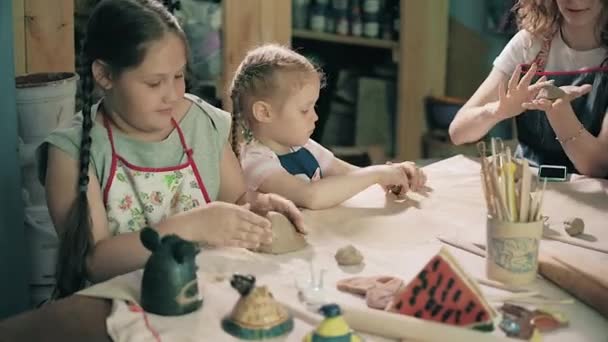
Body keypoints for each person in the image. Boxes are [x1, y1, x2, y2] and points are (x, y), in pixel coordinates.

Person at [37, 0, 304, 298]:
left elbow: (237, 199)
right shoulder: (70, 151)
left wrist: (258, 206)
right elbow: (94, 263)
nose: (173, 94)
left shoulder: (203, 123)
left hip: (200, 295)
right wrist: (191, 227)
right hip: (114, 309)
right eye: (154, 83)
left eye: (178, 76)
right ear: (105, 76)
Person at [229, 44, 427, 210]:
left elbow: (351, 174)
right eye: (305, 110)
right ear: (264, 112)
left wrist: (393, 173)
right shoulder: (255, 163)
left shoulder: (303, 147)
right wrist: (376, 175)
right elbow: (310, 196)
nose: (315, 117)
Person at [449, 0, 608, 178]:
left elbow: (600, 166)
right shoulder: (529, 43)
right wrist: (498, 111)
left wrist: (560, 112)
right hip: (527, 187)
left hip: (592, 198)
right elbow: (458, 132)